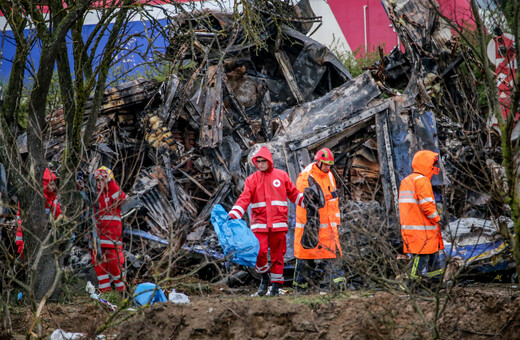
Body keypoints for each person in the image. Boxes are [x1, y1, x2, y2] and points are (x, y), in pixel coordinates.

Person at [229, 146, 305, 297]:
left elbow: (293, 194)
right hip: (259, 224)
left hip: (278, 224)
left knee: (278, 256)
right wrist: (235, 213)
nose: (261, 163)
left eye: (263, 161)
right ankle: (264, 277)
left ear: (269, 161)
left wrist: (307, 202)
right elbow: (245, 198)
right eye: (258, 161)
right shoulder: (252, 180)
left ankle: (275, 287)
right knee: (260, 252)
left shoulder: (282, 176)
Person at [293, 148, 345, 293]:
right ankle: (300, 288)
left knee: (331, 254)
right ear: (319, 162)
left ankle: (336, 287)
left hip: (327, 225)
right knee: (305, 255)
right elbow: (308, 201)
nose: (329, 168)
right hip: (311, 225)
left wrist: (336, 222)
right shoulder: (307, 177)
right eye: (326, 164)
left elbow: (333, 200)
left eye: (330, 165)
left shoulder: (328, 175)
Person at [398, 150, 444, 283]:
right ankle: (409, 285)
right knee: (422, 259)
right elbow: (427, 206)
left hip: (414, 230)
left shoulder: (407, 181)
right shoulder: (422, 181)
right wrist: (438, 218)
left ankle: (435, 284)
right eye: (433, 164)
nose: (435, 167)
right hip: (423, 231)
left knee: (431, 259)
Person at [93, 166, 127, 293]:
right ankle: (106, 295)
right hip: (97, 241)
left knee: (116, 268)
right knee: (100, 270)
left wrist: (109, 182)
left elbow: (121, 198)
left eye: (101, 180)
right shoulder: (94, 197)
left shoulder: (113, 194)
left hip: (112, 240)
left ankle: (123, 293)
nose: (99, 184)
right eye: (97, 181)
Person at [16, 168, 61, 258]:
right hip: (31, 237)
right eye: (51, 184)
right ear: (44, 184)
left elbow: (58, 216)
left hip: (45, 238)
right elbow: (22, 222)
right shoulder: (32, 198)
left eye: (53, 184)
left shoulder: (52, 198)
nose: (53, 187)